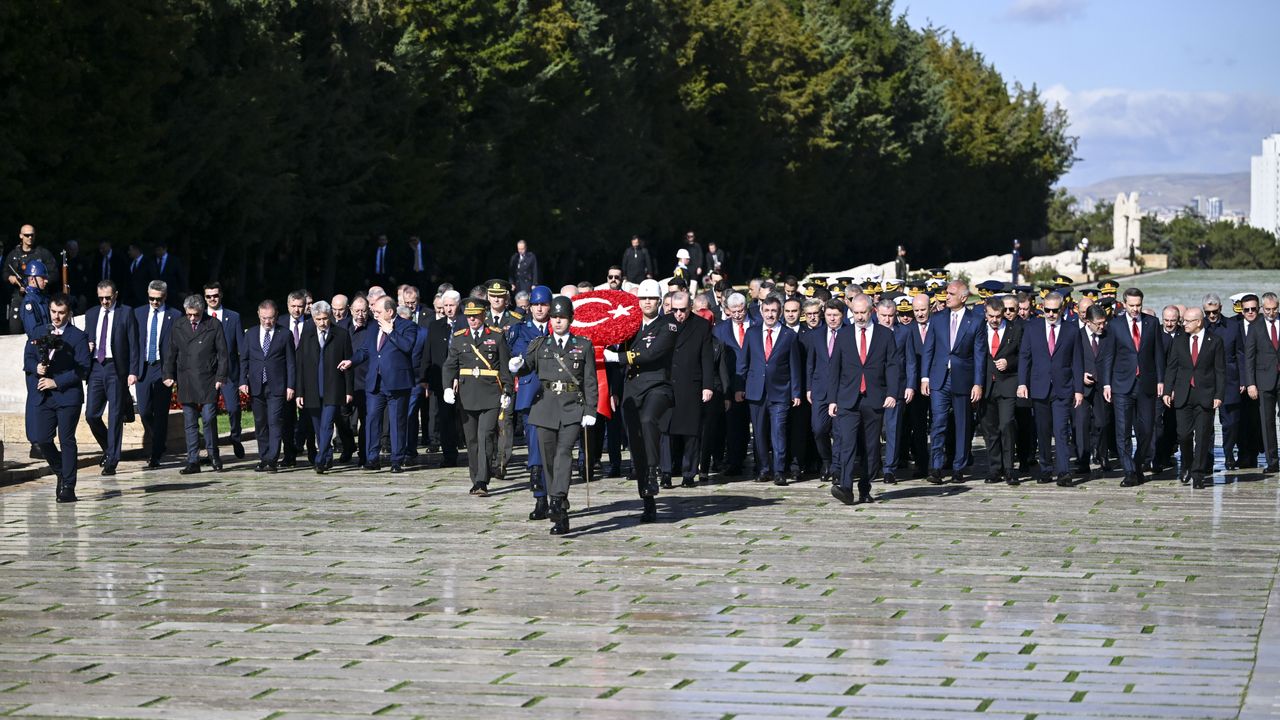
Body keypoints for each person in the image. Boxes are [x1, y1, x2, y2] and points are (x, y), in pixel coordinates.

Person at [509, 296, 598, 535]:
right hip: (545, 406)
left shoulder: (583, 345)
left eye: (562, 317)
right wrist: (516, 365)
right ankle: (558, 501)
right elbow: (527, 366)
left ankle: (558, 501)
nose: (558, 322)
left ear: (570, 319)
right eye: (555, 317)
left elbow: (590, 381)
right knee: (548, 459)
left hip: (571, 407)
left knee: (563, 454)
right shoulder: (540, 345)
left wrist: (590, 410)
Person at [825, 293, 901, 505]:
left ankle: (865, 488)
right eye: (855, 313)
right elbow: (835, 369)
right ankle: (846, 487)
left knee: (870, 447)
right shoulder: (844, 335)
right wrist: (832, 399)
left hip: (874, 398)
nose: (859, 317)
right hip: (848, 399)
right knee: (847, 444)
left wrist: (892, 393)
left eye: (863, 313)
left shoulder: (885, 335)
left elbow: (893, 366)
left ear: (872, 311)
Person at [610, 279, 676, 521]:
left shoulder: (668, 326)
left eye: (651, 299)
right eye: (643, 299)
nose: (647, 302)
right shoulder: (629, 325)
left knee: (649, 420)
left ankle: (652, 470)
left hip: (657, 385)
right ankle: (647, 500)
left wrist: (617, 356)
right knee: (635, 443)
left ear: (659, 301)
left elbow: (652, 353)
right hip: (632, 388)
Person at [341, 295, 421, 473]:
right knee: (371, 421)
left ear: (389, 311)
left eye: (377, 311)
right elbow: (365, 350)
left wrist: (391, 331)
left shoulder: (408, 326)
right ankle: (372, 458)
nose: (374, 314)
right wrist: (351, 362)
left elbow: (407, 346)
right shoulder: (372, 327)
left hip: (397, 384)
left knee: (397, 421)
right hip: (375, 383)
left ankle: (396, 460)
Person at [441, 297, 512, 495]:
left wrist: (507, 390)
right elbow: (450, 365)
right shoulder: (459, 337)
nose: (472, 320)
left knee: (486, 436)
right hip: (467, 395)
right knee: (471, 440)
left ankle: (482, 480)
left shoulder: (496, 337)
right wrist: (447, 386)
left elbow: (505, 368)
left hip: (490, 395)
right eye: (469, 316)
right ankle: (475, 478)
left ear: (484, 315)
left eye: (476, 316)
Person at [25, 294, 91, 502]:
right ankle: (61, 472)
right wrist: (35, 367)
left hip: (67, 396)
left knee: (66, 439)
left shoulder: (77, 337)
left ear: (69, 314)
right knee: (43, 439)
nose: (56, 316)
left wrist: (57, 382)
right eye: (53, 312)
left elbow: (83, 368)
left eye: (61, 313)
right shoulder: (38, 331)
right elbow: (28, 356)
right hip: (43, 395)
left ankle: (68, 487)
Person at [921, 280, 986, 484]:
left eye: (951, 293)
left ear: (964, 298)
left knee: (962, 424)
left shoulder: (975, 320)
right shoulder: (937, 318)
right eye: (946, 293)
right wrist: (925, 377)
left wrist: (978, 383)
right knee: (938, 423)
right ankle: (937, 467)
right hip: (939, 379)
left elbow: (979, 355)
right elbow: (929, 349)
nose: (946, 296)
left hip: (963, 379)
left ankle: (959, 466)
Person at [1018, 292, 1083, 487]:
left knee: (1061, 431)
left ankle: (1064, 472)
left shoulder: (1072, 330)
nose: (1052, 314)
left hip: (1063, 388)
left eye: (1055, 311)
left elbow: (1077, 362)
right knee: (1043, 430)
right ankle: (1045, 468)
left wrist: (1078, 389)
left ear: (1062, 309)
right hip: (1039, 387)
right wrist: (1022, 383)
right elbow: (1025, 357)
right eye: (1048, 310)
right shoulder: (1032, 328)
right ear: (1042, 308)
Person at [735, 295, 802, 485]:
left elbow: (795, 366)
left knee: (778, 431)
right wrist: (739, 387)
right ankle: (764, 469)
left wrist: (796, 392)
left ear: (779, 312)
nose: (770, 315)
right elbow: (743, 363)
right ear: (761, 312)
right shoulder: (752, 333)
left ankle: (780, 470)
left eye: (774, 311)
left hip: (780, 391)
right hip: (756, 392)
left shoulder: (789, 335)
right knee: (759, 432)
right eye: (767, 311)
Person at [1102, 288, 1165, 487]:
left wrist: (1161, 380)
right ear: (1124, 304)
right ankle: (1129, 471)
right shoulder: (1115, 325)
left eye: (1138, 305)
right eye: (1132, 306)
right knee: (1122, 430)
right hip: (1122, 384)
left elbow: (1158, 354)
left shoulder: (1152, 323)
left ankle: (1138, 464)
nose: (1135, 309)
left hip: (1146, 383)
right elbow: (1108, 356)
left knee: (1147, 429)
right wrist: (1106, 383)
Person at [164, 294, 229, 475]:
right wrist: (168, 373)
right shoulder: (178, 325)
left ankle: (213, 454)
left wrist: (220, 377)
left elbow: (223, 353)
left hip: (208, 378)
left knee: (209, 418)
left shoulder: (213, 325)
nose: (192, 318)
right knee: (190, 421)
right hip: (186, 378)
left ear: (202, 311)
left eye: (196, 315)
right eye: (189, 315)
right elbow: (171, 351)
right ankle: (193, 460)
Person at [1163, 307, 1224, 488]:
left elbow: (1220, 371)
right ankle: (1187, 465)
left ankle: (1198, 474)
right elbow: (1172, 367)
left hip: (1205, 395)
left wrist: (1219, 395)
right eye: (1184, 321)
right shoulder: (1180, 340)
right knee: (1183, 435)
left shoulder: (1215, 341)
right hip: (1183, 394)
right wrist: (1167, 390)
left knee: (1203, 436)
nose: (1184, 324)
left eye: (1188, 321)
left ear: (1198, 322)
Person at [84, 280, 136, 476]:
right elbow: (87, 339)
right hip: (96, 367)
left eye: (108, 297)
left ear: (115, 295)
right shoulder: (91, 314)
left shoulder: (125, 312)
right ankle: (109, 447)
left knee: (115, 415)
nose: (105, 301)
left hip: (116, 367)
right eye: (101, 298)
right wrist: (87, 347)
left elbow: (133, 344)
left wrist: (133, 371)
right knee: (91, 415)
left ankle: (112, 460)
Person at [295, 301, 354, 474]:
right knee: (318, 427)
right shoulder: (307, 335)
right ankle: (327, 458)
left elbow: (349, 364)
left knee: (327, 424)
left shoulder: (341, 335)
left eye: (325, 318)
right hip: (312, 389)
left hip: (333, 388)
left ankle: (320, 459)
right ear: (313, 319)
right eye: (318, 319)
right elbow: (300, 365)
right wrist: (299, 391)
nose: (322, 322)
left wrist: (349, 390)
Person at [663, 291, 713, 488]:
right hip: (667, 383)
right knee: (665, 430)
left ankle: (689, 473)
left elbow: (706, 358)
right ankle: (666, 472)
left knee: (691, 431)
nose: (678, 314)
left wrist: (707, 386)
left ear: (690, 306)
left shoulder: (701, 325)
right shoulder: (663, 322)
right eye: (674, 310)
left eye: (682, 310)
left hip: (691, 383)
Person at [240, 300, 295, 472]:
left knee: (274, 421)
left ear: (276, 316)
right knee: (260, 422)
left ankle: (272, 458)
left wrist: (291, 386)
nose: (267, 322)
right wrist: (243, 381)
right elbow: (244, 360)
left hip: (277, 386)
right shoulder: (250, 334)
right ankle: (263, 457)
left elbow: (291, 363)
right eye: (264, 318)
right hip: (257, 384)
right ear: (258, 315)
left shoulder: (284, 334)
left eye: (270, 318)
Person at [131, 281, 179, 469]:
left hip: (162, 368)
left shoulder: (174, 315)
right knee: (144, 411)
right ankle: (159, 439)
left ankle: (156, 453)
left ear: (165, 297)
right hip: (144, 367)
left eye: (158, 299)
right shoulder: (139, 313)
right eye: (151, 298)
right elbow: (134, 343)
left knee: (160, 413)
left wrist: (172, 372)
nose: (154, 302)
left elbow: (176, 346)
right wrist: (133, 370)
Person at [978, 297, 1021, 485]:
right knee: (990, 429)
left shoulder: (1016, 329)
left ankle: (1010, 468)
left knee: (1006, 425)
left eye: (998, 316)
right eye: (991, 316)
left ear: (1003, 313)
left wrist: (1010, 362)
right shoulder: (978, 329)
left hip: (1008, 384)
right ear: (985, 314)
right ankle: (995, 468)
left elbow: (1024, 355)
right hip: (986, 386)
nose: (994, 320)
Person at [1203, 294, 1246, 469]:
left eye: (1214, 311)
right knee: (1205, 422)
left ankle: (1228, 454)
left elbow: (1240, 354)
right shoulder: (1200, 326)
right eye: (1208, 312)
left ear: (1221, 308)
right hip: (1205, 380)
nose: (1212, 315)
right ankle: (1207, 457)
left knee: (1230, 422)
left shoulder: (1233, 326)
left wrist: (1244, 379)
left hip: (1230, 379)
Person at [204, 282, 245, 459]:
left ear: (221, 295)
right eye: (208, 296)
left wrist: (244, 375)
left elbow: (241, 347)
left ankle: (235, 437)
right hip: (207, 373)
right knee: (208, 414)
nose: (212, 299)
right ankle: (213, 452)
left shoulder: (233, 317)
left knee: (234, 409)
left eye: (215, 295)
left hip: (229, 372)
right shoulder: (199, 316)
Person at [712, 292, 751, 476]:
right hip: (731, 382)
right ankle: (735, 461)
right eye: (733, 311)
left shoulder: (758, 324)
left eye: (741, 310)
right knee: (734, 425)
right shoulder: (719, 330)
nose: (737, 314)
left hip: (755, 382)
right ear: (727, 310)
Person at [879, 297, 918, 485]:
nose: (887, 320)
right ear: (876, 314)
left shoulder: (904, 333)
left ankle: (890, 469)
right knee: (873, 429)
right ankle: (872, 464)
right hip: (874, 387)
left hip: (898, 387)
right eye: (884, 316)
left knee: (893, 429)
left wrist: (910, 385)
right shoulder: (870, 332)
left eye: (891, 316)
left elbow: (910, 361)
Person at [1074, 305, 1115, 475]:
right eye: (1098, 324)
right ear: (1087, 321)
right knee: (1081, 423)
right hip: (1082, 387)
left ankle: (1101, 453)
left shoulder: (1108, 336)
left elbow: (1111, 359)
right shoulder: (1077, 335)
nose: (1101, 327)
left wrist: (1107, 383)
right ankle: (1083, 460)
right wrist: (1080, 375)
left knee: (1102, 422)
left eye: (1103, 323)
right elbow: (1072, 360)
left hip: (1102, 386)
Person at [1244, 292, 1280, 474]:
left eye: (1274, 309)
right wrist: (1250, 383)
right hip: (1263, 381)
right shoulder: (1255, 327)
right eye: (1267, 310)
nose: (1271, 313)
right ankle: (1272, 461)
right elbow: (1249, 357)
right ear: (1262, 309)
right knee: (1267, 423)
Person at [424, 290, 461, 467]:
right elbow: (428, 353)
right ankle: (449, 455)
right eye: (445, 306)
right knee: (445, 418)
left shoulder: (465, 324)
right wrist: (425, 378)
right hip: (441, 380)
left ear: (458, 305)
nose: (448, 309)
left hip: (464, 380)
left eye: (451, 305)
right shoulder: (435, 326)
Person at [5, 224, 57, 335]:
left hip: (39, 297)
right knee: (15, 331)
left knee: (41, 330)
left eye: (32, 235)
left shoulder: (43, 253)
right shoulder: (13, 255)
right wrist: (9, 277)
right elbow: (5, 272)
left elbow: (54, 273)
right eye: (26, 235)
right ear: (21, 236)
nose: (29, 237)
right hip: (19, 297)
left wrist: (42, 281)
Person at [282, 290, 313, 466]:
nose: (296, 310)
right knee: (287, 418)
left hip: (307, 376)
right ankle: (289, 454)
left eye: (300, 306)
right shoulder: (280, 323)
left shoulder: (312, 324)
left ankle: (311, 451)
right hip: (285, 376)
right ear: (288, 306)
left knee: (307, 416)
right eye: (293, 306)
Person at [17, 259, 51, 339]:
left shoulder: (43, 298)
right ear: (32, 279)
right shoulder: (29, 302)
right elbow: (33, 331)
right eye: (42, 278)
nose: (46, 281)